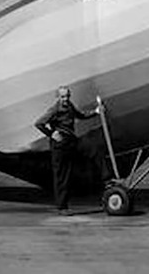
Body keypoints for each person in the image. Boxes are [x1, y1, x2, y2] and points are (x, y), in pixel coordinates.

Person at [34, 86, 105, 215]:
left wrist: (95, 112)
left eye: (67, 96)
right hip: (59, 145)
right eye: (62, 97)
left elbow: (80, 115)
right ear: (58, 97)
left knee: (91, 149)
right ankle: (62, 207)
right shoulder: (54, 110)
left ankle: (107, 177)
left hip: (71, 141)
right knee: (62, 176)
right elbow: (39, 123)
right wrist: (51, 133)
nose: (65, 99)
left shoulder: (70, 106)